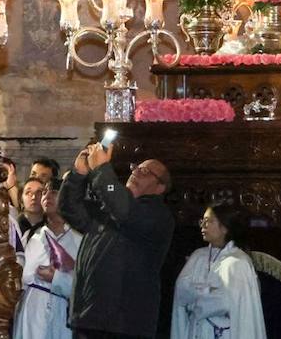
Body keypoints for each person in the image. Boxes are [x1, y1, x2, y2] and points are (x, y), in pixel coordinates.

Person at [58, 143, 174, 339]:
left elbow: (123, 209)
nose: (136, 171)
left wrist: (102, 169)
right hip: (88, 317)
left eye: (145, 171)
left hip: (123, 323)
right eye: (135, 167)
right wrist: (78, 173)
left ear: (160, 187)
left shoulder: (157, 215)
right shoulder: (109, 208)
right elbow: (70, 209)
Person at [171, 202, 266, 339]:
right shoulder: (198, 256)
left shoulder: (238, 262)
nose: (203, 225)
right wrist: (208, 291)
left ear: (225, 227)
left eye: (209, 221)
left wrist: (198, 294)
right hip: (197, 331)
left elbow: (225, 301)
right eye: (202, 221)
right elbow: (181, 292)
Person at [13, 186, 83, 339]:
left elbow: (85, 283)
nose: (47, 196)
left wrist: (57, 279)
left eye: (54, 192)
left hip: (64, 308)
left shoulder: (80, 239)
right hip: (33, 306)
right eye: (44, 192)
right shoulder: (33, 235)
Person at [16, 176, 48, 244]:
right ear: (21, 198)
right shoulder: (13, 228)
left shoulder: (51, 227)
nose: (34, 197)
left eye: (39, 192)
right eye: (28, 193)